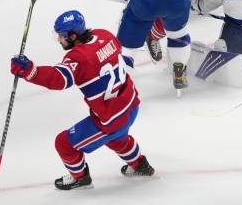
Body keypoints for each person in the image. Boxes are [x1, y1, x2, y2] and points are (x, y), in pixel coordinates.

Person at [10, 10, 154, 191]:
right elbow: (122, 58)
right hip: (131, 106)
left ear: (72, 35)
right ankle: (141, 165)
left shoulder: (78, 57)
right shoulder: (105, 35)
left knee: (63, 143)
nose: (59, 41)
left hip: (111, 119)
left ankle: (81, 178)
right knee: (118, 138)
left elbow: (59, 79)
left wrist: (30, 71)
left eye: (61, 37)